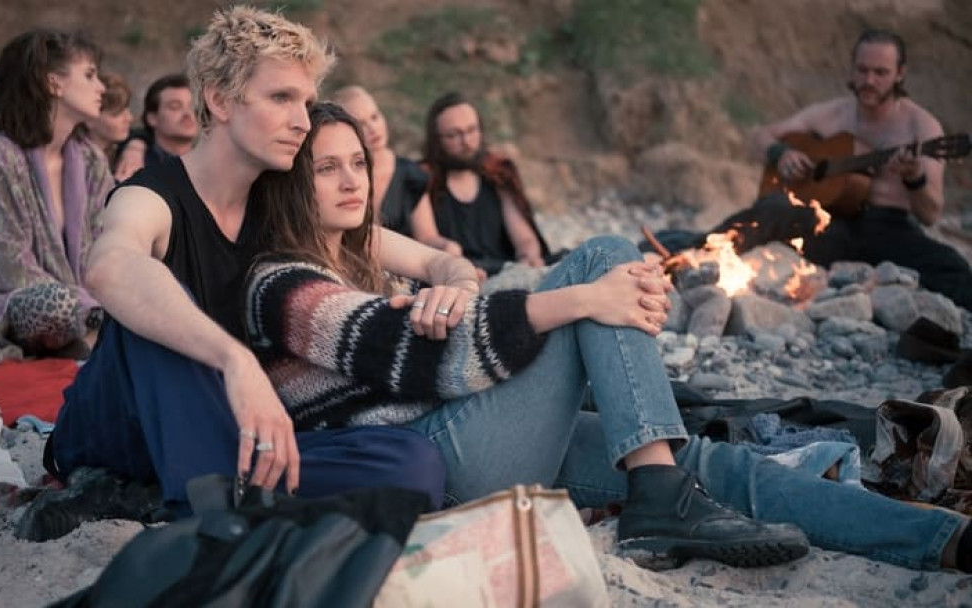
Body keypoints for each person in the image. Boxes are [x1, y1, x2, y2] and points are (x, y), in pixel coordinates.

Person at [243, 100, 972, 572]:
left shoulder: (357, 248)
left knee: (705, 463)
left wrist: (457, 284)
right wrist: (587, 299)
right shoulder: (280, 284)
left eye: (357, 163)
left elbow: (453, 270)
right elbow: (434, 364)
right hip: (442, 457)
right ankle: (656, 492)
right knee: (600, 258)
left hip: (481, 431)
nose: (353, 180)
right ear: (290, 181)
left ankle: (938, 540)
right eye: (326, 168)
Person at [47, 6, 458, 519]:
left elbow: (431, 259)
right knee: (161, 302)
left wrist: (455, 286)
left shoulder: (278, 207)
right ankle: (206, 499)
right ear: (219, 100)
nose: (302, 121)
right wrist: (234, 360)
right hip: (121, 426)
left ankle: (206, 493)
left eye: (306, 102)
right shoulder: (152, 196)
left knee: (411, 464)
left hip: (225, 433)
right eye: (281, 98)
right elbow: (110, 266)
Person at [719, 28, 971, 310]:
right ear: (851, 70)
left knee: (952, 268)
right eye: (862, 70)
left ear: (900, 74)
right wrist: (781, 154)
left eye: (880, 72)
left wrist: (914, 177)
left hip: (889, 229)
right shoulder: (832, 114)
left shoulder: (922, 127)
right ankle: (695, 250)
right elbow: (759, 137)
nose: (869, 81)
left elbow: (931, 214)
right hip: (830, 223)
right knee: (773, 208)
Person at [0, 30, 111, 358]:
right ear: (53, 83)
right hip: (15, 304)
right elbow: (10, 269)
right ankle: (95, 337)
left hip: (91, 302)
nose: (101, 86)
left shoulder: (92, 160)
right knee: (56, 305)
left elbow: (107, 245)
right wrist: (88, 306)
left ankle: (92, 338)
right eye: (90, 75)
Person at [410, 92, 558, 276]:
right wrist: (447, 250)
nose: (466, 142)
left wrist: (528, 256)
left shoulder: (498, 172)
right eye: (453, 135)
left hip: (503, 269)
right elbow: (426, 237)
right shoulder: (422, 177)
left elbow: (524, 237)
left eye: (472, 130)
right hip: (457, 272)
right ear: (436, 140)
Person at [333, 85, 428, 237]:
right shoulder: (340, 178)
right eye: (361, 124)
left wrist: (448, 246)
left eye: (374, 117)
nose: (373, 128)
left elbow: (428, 236)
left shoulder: (410, 174)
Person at [112, 73, 199, 181]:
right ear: (152, 118)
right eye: (175, 107)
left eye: (193, 106)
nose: (188, 114)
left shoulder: (208, 161)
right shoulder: (135, 164)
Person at [82, 71, 134, 179]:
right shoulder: (81, 160)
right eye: (117, 113)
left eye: (127, 110)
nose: (129, 118)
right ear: (89, 119)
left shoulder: (117, 151)